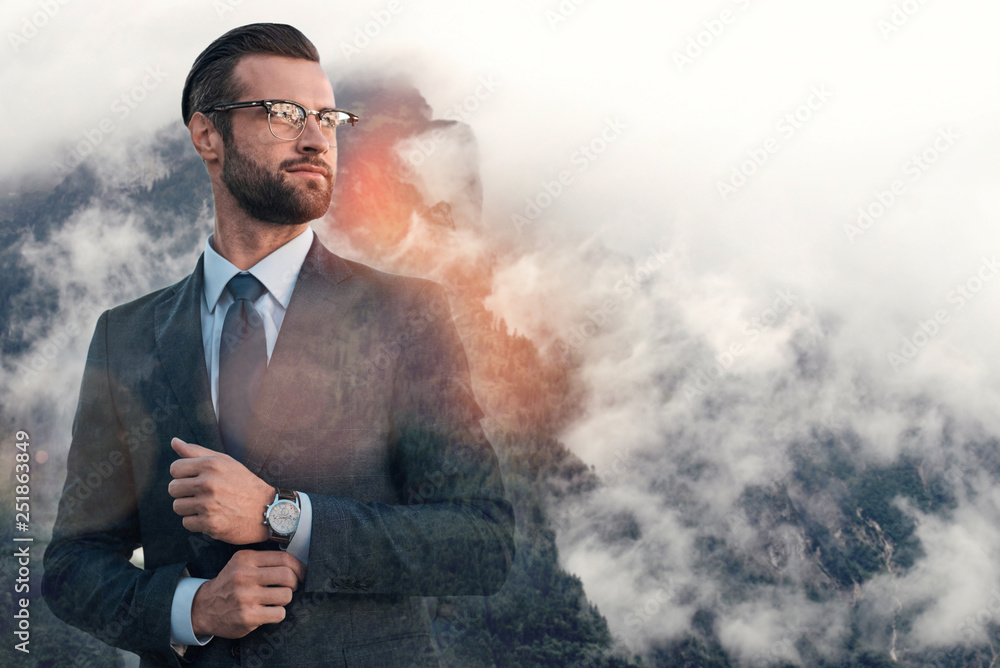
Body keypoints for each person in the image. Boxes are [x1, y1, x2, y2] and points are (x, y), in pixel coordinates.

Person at [42, 23, 514, 668]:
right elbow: (73, 563)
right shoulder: (124, 335)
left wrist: (283, 516)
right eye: (284, 113)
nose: (317, 137)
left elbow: (481, 542)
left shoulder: (406, 313)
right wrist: (191, 607)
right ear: (208, 135)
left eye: (327, 116)